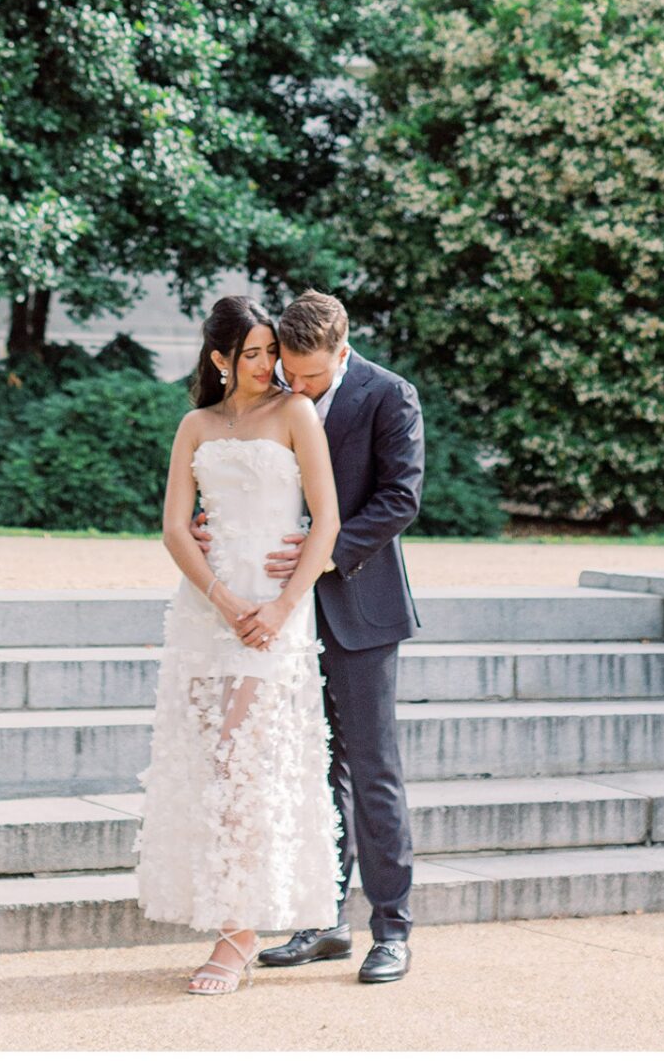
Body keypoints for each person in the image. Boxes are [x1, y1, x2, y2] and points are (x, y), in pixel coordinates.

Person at [199, 289, 425, 986]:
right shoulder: (271, 396)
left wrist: (324, 552)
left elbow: (400, 497)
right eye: (287, 372)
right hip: (278, 616)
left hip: (358, 607)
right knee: (310, 771)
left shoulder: (389, 395)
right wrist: (217, 525)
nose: (295, 386)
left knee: (372, 769)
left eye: (311, 376)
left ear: (343, 349)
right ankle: (323, 921)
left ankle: (392, 930)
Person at [133, 295, 342, 995]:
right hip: (205, 613)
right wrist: (219, 599)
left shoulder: (296, 413)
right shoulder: (194, 425)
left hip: (273, 615)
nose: (266, 364)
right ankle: (227, 916)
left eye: (270, 351)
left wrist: (280, 608)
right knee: (209, 764)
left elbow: (326, 521)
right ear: (221, 358)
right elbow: (173, 527)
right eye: (252, 353)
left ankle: (238, 936)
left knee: (242, 764)